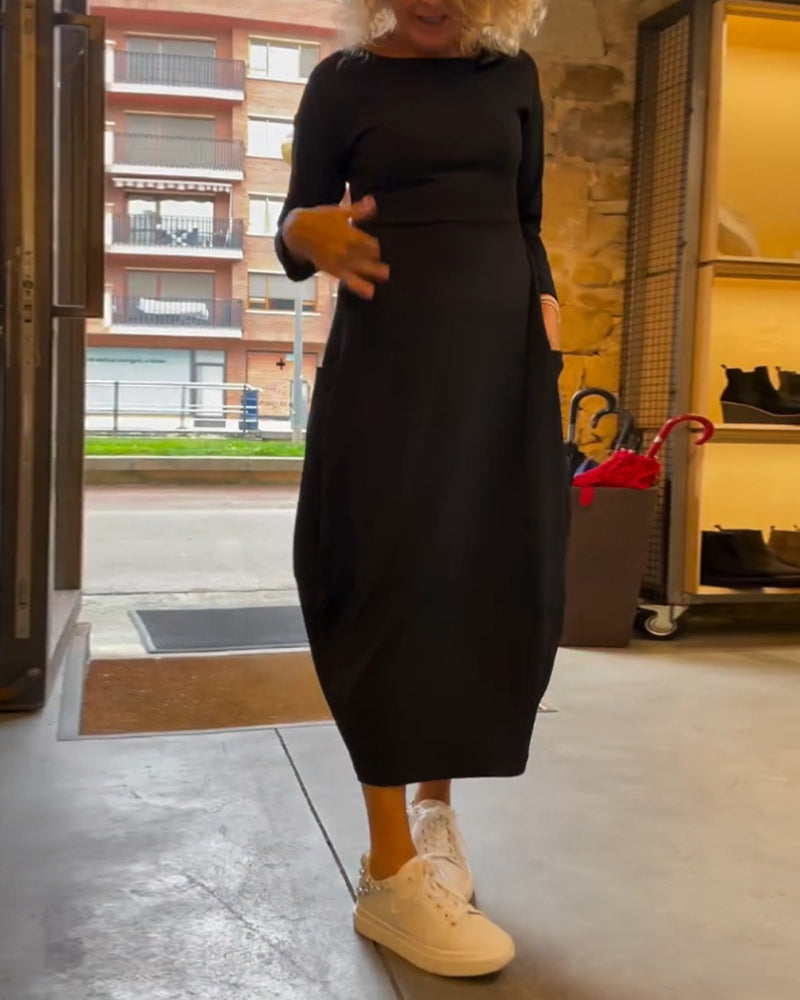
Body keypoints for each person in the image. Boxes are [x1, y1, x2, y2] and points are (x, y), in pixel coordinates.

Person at [276, 0, 567, 979]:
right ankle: (387, 865)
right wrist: (305, 235)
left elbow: (525, 218)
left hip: (500, 361)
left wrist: (544, 301)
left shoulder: (511, 77)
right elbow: (295, 227)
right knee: (383, 575)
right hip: (388, 359)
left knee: (475, 573)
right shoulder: (342, 82)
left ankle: (436, 814)